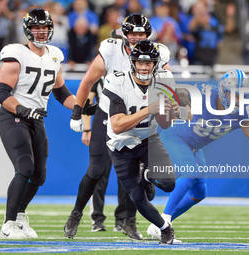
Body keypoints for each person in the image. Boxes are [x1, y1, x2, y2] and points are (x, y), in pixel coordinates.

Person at [65, 13, 171, 240]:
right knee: (96, 169)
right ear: (124, 34)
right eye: (132, 33)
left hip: (142, 114)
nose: (136, 37)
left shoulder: (157, 54)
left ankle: (128, 221)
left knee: (132, 172)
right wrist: (78, 112)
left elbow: (168, 82)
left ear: (148, 35)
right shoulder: (111, 49)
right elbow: (87, 81)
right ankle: (77, 213)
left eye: (141, 34)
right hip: (109, 112)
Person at [0, 8, 94, 239]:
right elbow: (1, 92)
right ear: (28, 30)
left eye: (45, 28)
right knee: (25, 167)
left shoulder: (54, 55)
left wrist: (81, 107)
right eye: (36, 28)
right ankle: (7, 225)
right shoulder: (16, 53)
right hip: (14, 116)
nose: (41, 32)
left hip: (36, 119)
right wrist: (22, 109)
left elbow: (61, 93)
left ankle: (19, 216)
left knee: (39, 175)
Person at [147, 69, 249, 240]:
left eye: (241, 95)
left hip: (194, 146)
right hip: (175, 136)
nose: (238, 99)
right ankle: (164, 224)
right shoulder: (204, 94)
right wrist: (179, 107)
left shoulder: (245, 112)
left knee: (199, 193)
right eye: (234, 94)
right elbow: (179, 91)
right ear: (223, 91)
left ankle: (158, 224)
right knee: (191, 173)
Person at [105, 40, 177, 244]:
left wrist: (169, 114)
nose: (144, 67)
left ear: (155, 64)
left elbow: (165, 123)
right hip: (120, 144)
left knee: (169, 183)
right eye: (140, 62)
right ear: (133, 62)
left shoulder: (164, 79)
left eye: (148, 63)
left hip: (148, 138)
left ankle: (146, 175)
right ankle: (165, 228)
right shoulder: (118, 81)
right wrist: (150, 109)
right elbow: (117, 125)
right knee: (138, 197)